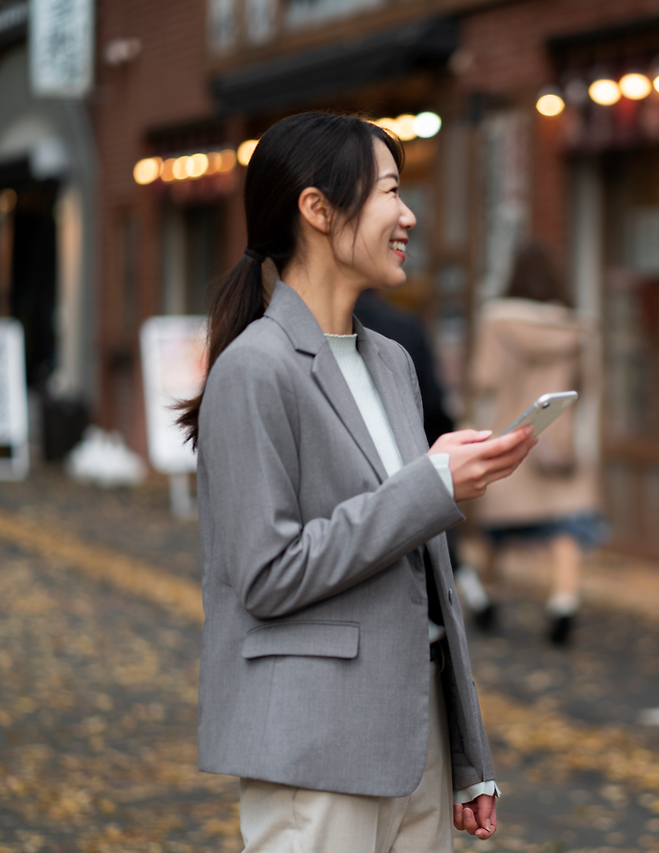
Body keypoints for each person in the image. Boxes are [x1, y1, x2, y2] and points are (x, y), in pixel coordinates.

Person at [179, 111, 536, 853]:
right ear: (317, 209)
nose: (408, 215)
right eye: (389, 192)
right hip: (315, 741)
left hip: (415, 737)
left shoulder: (391, 362)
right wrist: (431, 484)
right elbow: (267, 574)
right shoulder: (254, 368)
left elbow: (423, 577)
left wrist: (466, 755)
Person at [468, 243, 608, 646]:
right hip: (557, 439)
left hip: (511, 434)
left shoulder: (496, 323)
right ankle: (563, 602)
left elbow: (485, 380)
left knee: (496, 529)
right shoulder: (575, 329)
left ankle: (488, 596)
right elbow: (588, 384)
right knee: (565, 525)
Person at [354, 289, 496, 630]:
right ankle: (472, 596)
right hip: (414, 444)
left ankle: (470, 596)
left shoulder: (333, 333)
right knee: (433, 528)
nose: (405, 231)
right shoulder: (407, 328)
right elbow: (433, 399)